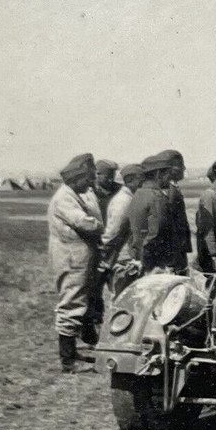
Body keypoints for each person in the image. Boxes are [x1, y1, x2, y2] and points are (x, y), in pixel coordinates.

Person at [47, 153, 104, 373]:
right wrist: (99, 225)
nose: (91, 184)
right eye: (88, 179)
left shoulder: (75, 193)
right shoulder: (65, 197)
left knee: (79, 303)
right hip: (72, 259)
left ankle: (72, 354)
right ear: (76, 178)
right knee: (71, 305)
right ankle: (68, 361)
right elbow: (86, 223)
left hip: (78, 258)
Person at [127, 154, 179, 273]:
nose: (169, 179)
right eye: (167, 174)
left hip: (140, 258)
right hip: (155, 264)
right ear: (158, 174)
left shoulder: (138, 194)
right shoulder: (157, 197)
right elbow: (156, 233)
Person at [98, 163, 144, 297]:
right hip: (123, 262)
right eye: (140, 179)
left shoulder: (130, 198)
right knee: (123, 301)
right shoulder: (123, 201)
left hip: (127, 260)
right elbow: (113, 234)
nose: (143, 183)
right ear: (129, 181)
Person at [157, 149, 192, 274]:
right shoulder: (171, 191)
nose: (184, 168)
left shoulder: (173, 188)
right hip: (174, 252)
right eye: (180, 165)